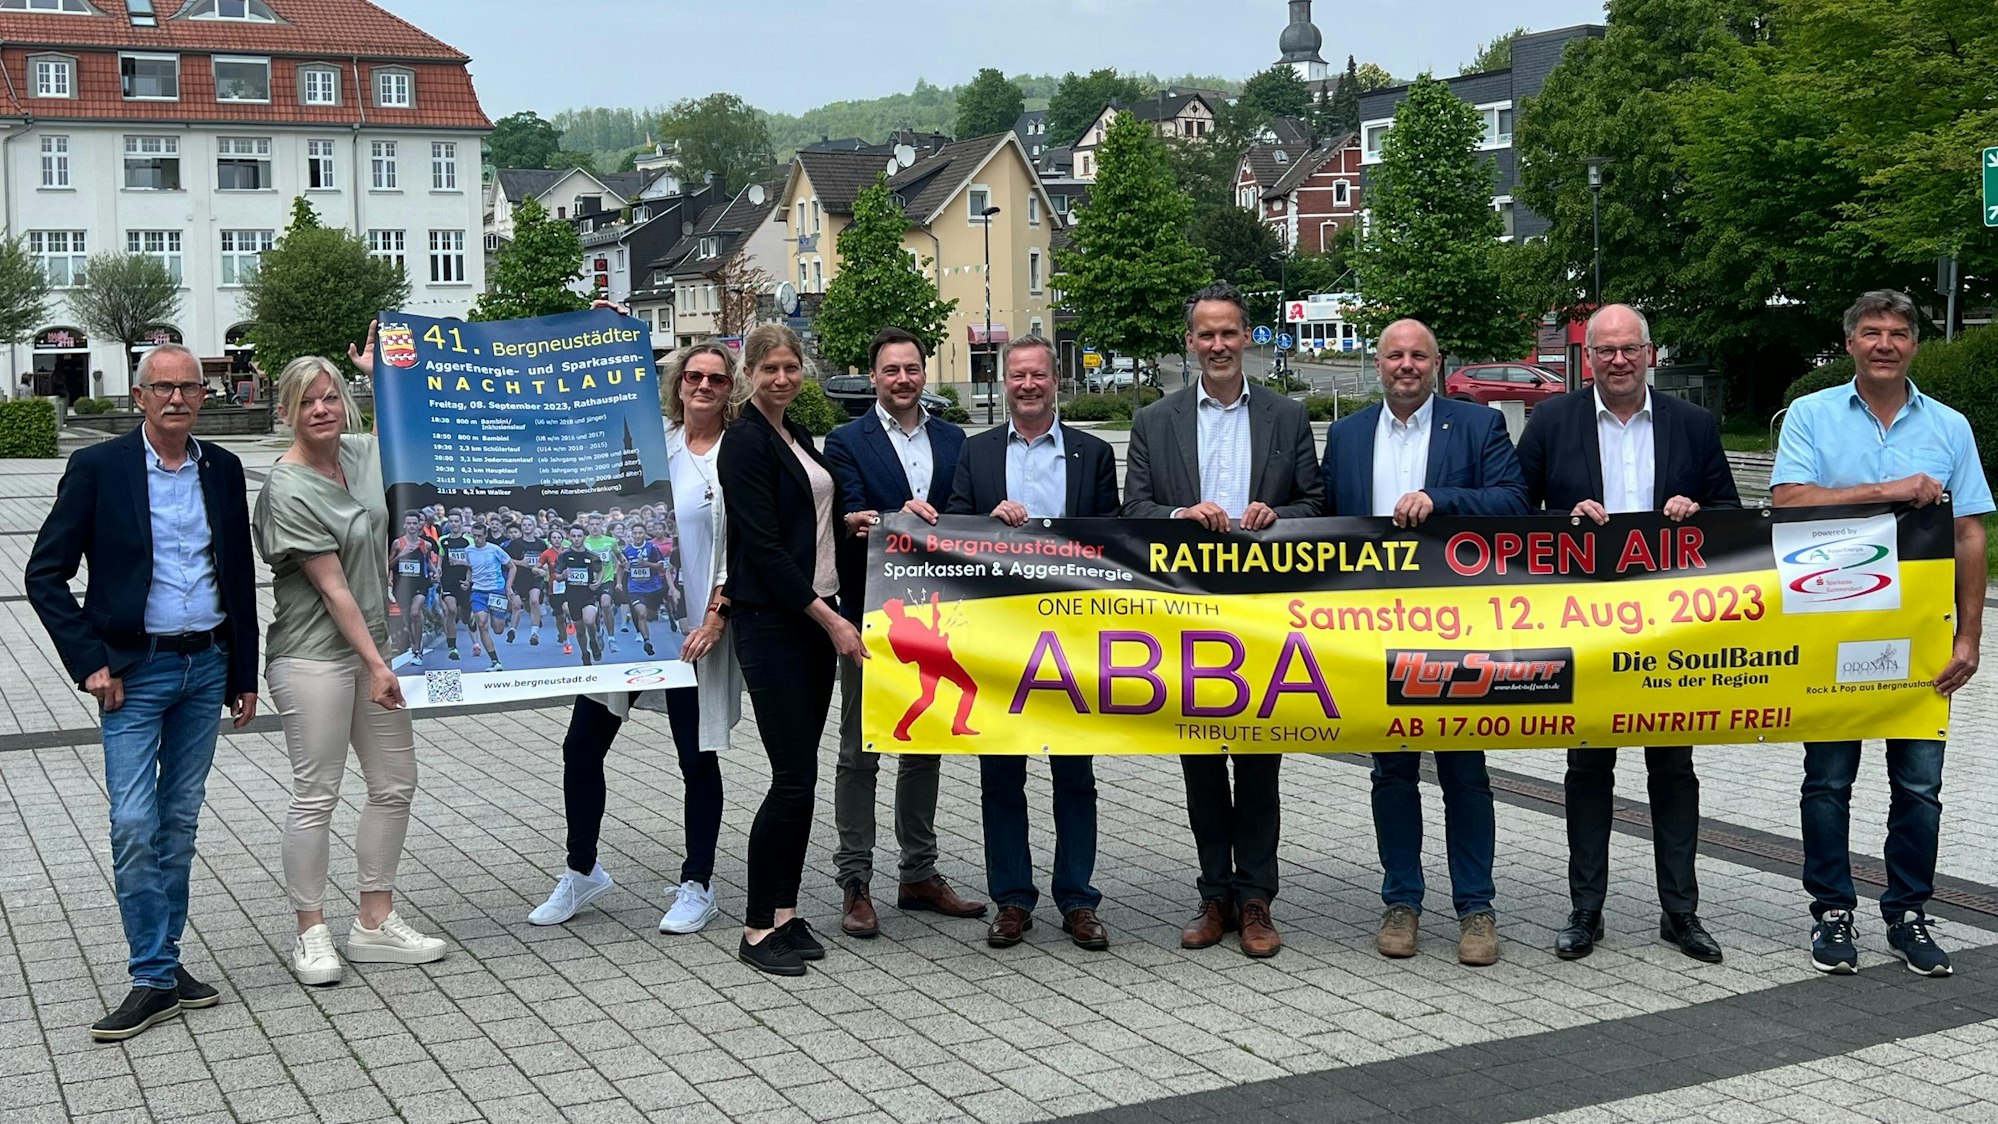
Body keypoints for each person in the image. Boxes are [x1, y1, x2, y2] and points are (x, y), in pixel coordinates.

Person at [26, 343, 258, 1041]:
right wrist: (90, 660)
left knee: (179, 821)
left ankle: (162, 967)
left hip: (206, 667)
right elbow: (46, 573)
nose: (179, 398)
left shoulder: (222, 468)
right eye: (164, 388)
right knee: (133, 823)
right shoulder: (99, 468)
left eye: (190, 387)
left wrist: (244, 672)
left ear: (202, 395)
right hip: (134, 673)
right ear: (139, 396)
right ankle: (153, 976)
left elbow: (239, 575)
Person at [1771, 289, 1991, 977]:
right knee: (1827, 781)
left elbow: (1969, 532)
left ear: (1915, 345)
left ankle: (1909, 913)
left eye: (1899, 332)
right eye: (1872, 332)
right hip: (1830, 630)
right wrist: (1892, 489)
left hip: (1923, 638)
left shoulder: (1950, 426)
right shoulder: (1810, 414)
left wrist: (1970, 640)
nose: (1886, 343)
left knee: (1919, 787)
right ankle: (1833, 912)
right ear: (1850, 344)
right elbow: (1789, 501)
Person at [1517, 304, 1738, 964]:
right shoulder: (1553, 421)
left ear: (1650, 353)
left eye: (1628, 349)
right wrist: (1561, 519)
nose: (1617, 360)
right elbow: (1510, 509)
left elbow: (1731, 513)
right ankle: (1586, 910)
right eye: (1604, 350)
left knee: (1672, 768)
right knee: (1588, 767)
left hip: (1670, 629)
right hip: (1583, 627)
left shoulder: (1693, 426)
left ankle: (1681, 912)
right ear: (1588, 360)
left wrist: (1697, 513)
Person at [1123, 281, 1323, 959]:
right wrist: (1181, 517)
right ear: (1190, 342)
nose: (1217, 345)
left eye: (1229, 332)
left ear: (1248, 337)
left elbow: (1317, 506)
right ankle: (1214, 894)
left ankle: (1257, 896)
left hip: (1265, 618)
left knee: (1260, 760)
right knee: (1202, 759)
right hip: (1186, 615)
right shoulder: (1156, 422)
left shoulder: (1286, 417)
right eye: (1205, 334)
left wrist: (1280, 516)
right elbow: (1134, 513)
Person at [1321, 317, 1527, 967]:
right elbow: (1325, 526)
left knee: (1465, 770)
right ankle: (1401, 901)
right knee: (1392, 770)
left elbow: (1515, 504)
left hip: (1459, 628)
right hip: (1373, 628)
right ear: (1376, 364)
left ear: (1437, 363)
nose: (1406, 365)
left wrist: (1441, 500)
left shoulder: (1477, 426)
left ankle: (1476, 909)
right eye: (1394, 356)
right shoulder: (1349, 435)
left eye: (1419, 355)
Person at [529, 342, 743, 935]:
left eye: (716, 379)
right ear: (677, 384)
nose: (703, 386)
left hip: (697, 630)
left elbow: (741, 546)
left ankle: (698, 882)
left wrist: (716, 615)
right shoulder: (656, 449)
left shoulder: (737, 454)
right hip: (634, 624)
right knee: (581, 746)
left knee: (695, 757)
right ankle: (582, 869)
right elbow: (582, 425)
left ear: (730, 389)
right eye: (693, 377)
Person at [254, 351, 448, 987]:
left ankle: (374, 921)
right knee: (317, 794)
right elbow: (334, 588)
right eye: (306, 401)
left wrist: (386, 371)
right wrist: (377, 664)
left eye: (330, 396)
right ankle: (311, 930)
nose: (320, 409)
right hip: (313, 656)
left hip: (374, 653)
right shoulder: (285, 488)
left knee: (395, 783)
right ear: (286, 411)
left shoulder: (361, 454)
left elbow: (423, 419)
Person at [946, 334, 1119, 951]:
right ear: (1004, 381)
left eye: (1038, 375)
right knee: (1002, 774)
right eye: (1017, 375)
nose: (1027, 385)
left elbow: (1113, 543)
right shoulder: (979, 452)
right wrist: (989, 520)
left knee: (1076, 775)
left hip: (1075, 638)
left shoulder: (1094, 455)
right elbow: (955, 530)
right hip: (1001, 637)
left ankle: (1078, 900)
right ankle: (1012, 900)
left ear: (1055, 381)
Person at [822, 327, 984, 938]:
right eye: (890, 370)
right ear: (873, 378)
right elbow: (851, 511)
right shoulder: (845, 440)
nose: (902, 379)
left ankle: (918, 871)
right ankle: (855, 880)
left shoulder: (952, 438)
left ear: (926, 372)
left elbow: (967, 515)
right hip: (873, 616)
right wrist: (883, 520)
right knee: (860, 748)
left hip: (943, 614)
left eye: (912, 369)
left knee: (925, 742)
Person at [721, 324, 867, 976]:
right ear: (749, 372)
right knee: (791, 779)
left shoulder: (795, 433)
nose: (782, 378)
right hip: (777, 622)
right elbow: (766, 551)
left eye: (791, 368)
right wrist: (829, 619)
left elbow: (810, 518)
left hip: (814, 619)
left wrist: (854, 523)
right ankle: (755, 928)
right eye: (770, 368)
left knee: (802, 775)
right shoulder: (744, 443)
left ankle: (785, 911)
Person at [461, 523, 513, 673]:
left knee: (498, 629)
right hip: (478, 591)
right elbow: (471, 568)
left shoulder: (495, 550)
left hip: (496, 591)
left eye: (479, 536)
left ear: (485, 535)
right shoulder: (468, 550)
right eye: (474, 535)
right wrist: (467, 582)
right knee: (482, 624)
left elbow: (512, 567)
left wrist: (508, 587)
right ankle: (495, 661)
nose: (476, 539)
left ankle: (487, 614)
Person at [388, 512, 436, 665]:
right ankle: (414, 643)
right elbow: (389, 565)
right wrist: (402, 554)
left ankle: (418, 650)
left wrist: (436, 572)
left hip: (420, 584)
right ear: (404, 525)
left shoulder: (425, 545)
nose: (412, 526)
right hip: (402, 585)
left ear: (419, 525)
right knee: (408, 618)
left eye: (415, 523)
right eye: (409, 523)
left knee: (415, 612)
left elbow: (427, 562)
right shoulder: (398, 543)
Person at [435, 518, 473, 660]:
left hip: (463, 581)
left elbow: (472, 563)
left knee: (465, 616)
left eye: (457, 521)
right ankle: (453, 646)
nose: (454, 524)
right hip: (447, 580)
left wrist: (468, 581)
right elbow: (440, 556)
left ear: (461, 524)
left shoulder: (469, 541)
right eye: (451, 521)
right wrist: (438, 569)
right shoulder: (443, 540)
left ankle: (469, 619)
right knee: (451, 610)